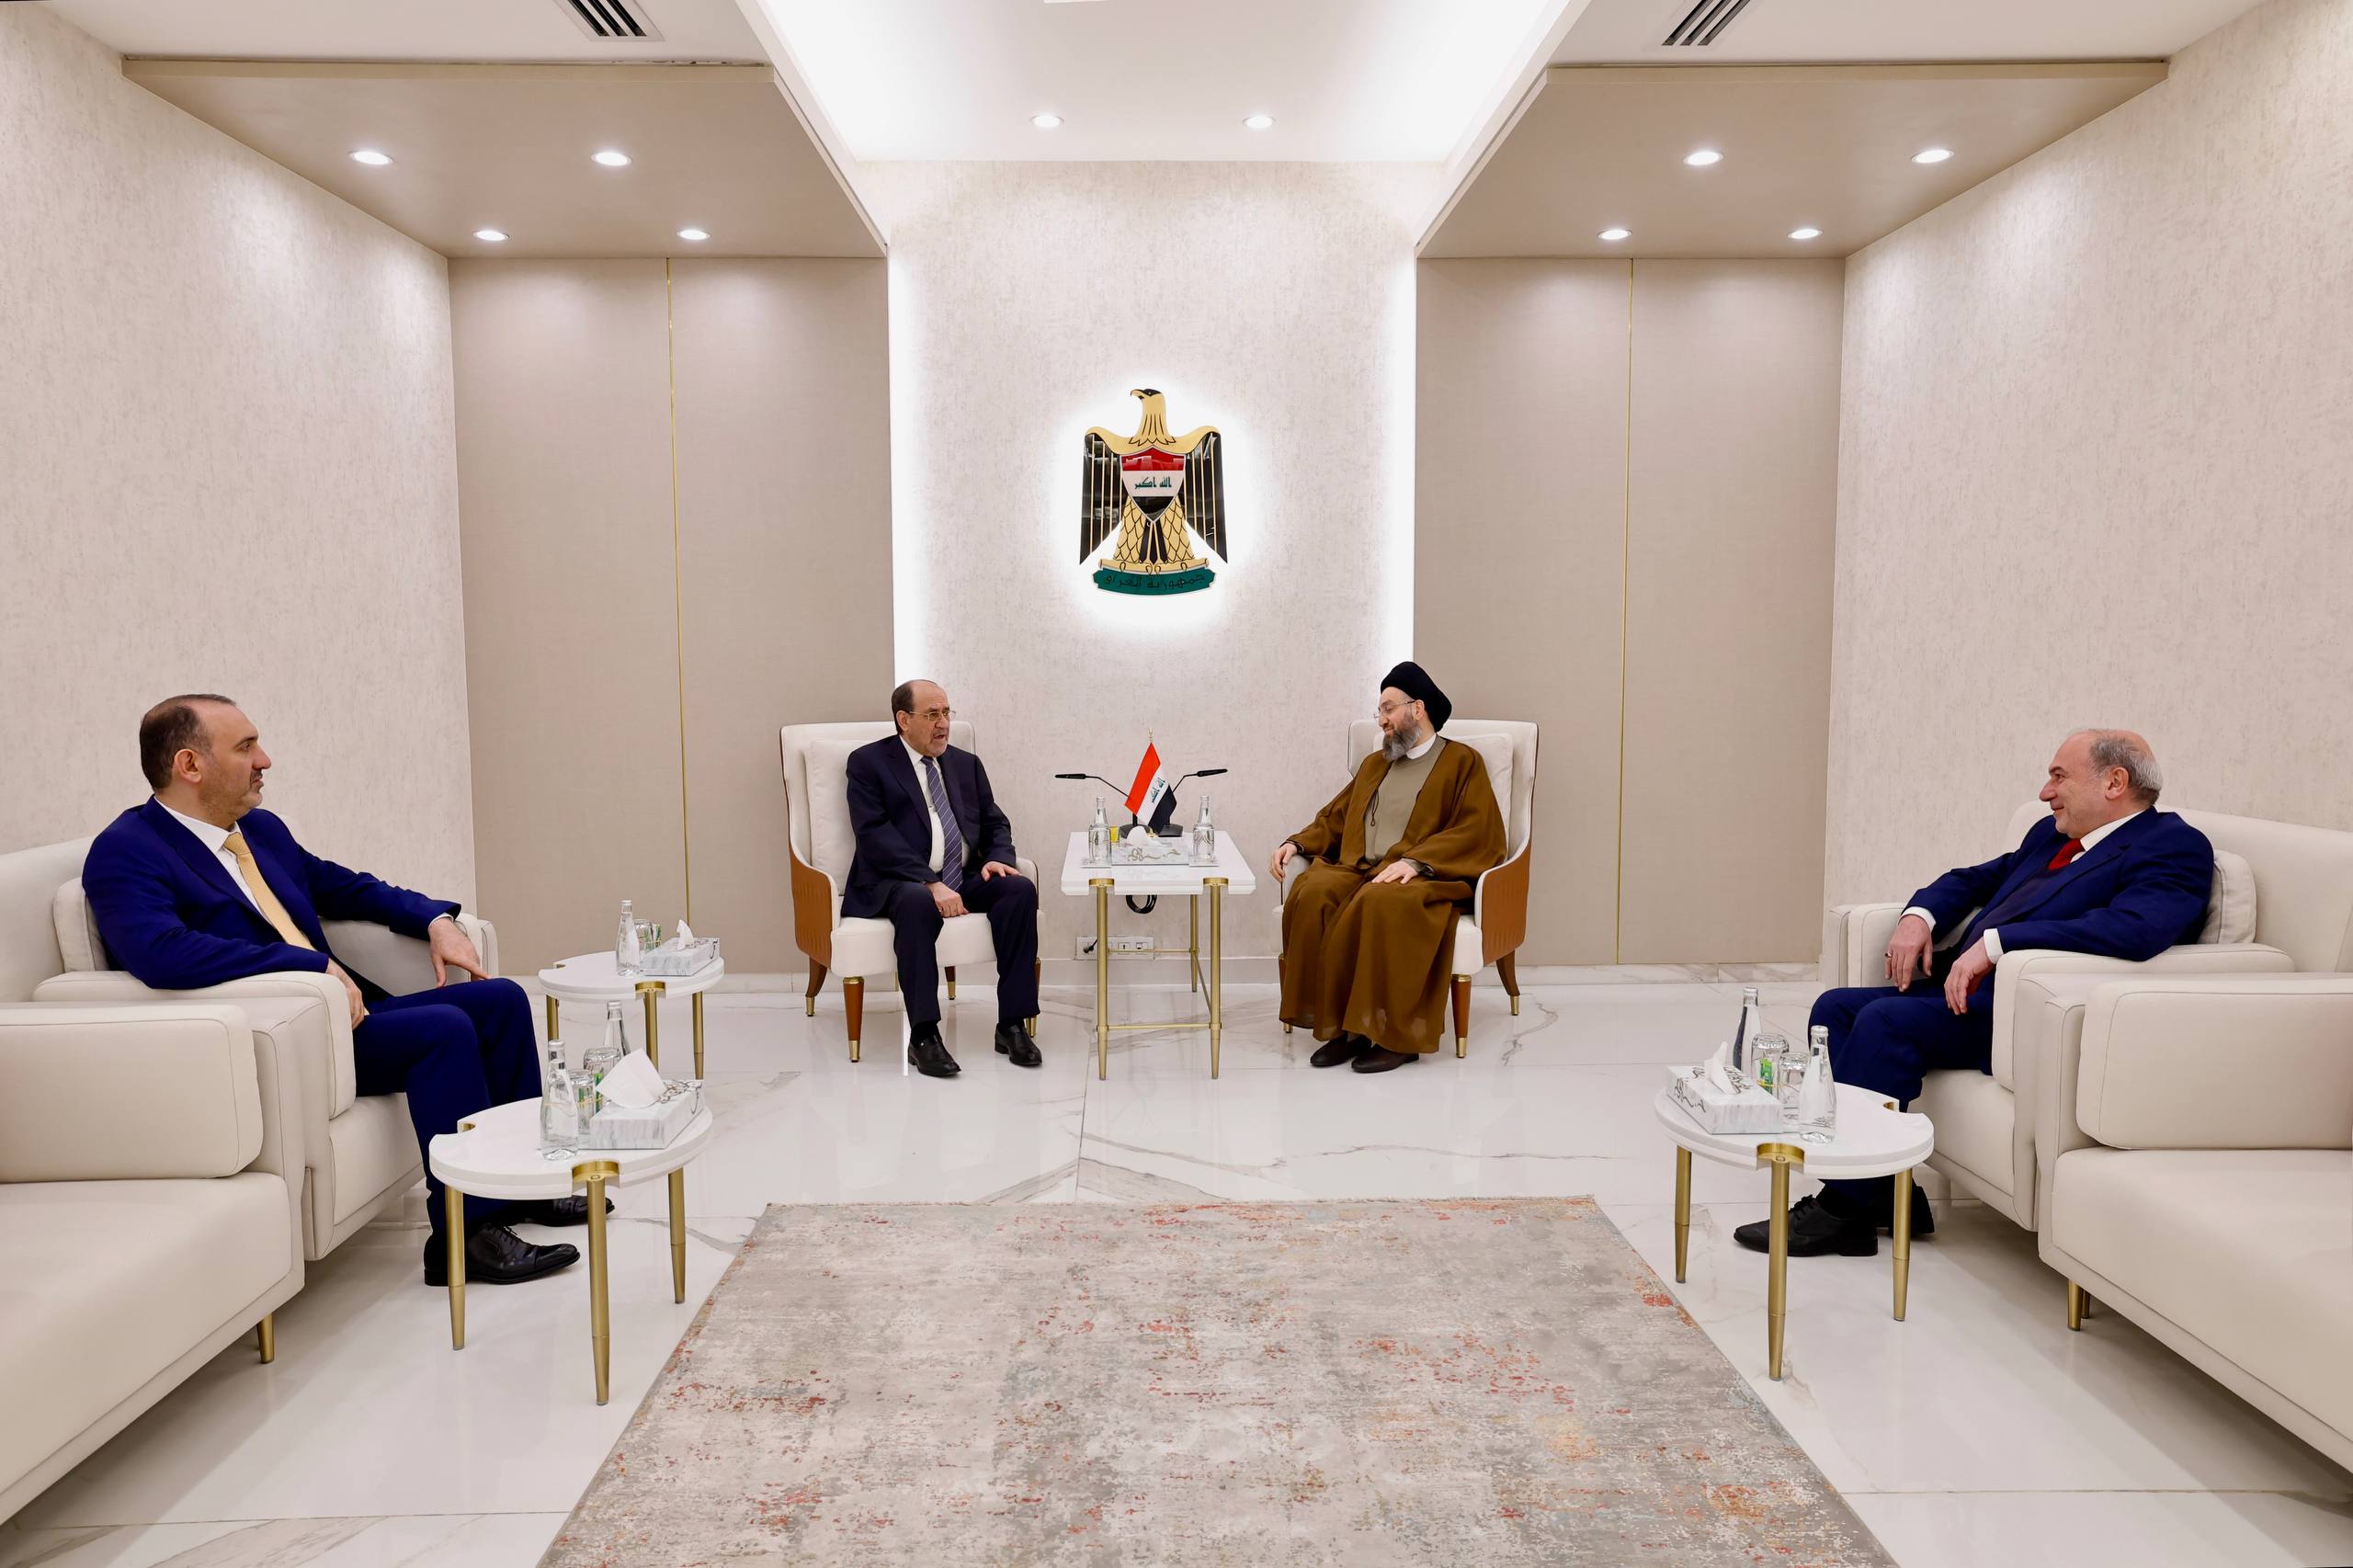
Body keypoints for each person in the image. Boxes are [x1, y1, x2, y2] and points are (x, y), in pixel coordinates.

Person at [82, 695, 586, 1287]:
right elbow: (160, 952)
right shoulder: (126, 851)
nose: (264, 760)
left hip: (345, 1014)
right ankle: (464, 1235)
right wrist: (309, 965)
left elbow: (346, 888)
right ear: (189, 765)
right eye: (245, 747)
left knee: (499, 1000)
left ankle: (520, 1186)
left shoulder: (259, 831)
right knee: (443, 1029)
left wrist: (434, 918)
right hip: (282, 1035)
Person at [1739, 728, 2213, 1258]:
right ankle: (1887, 1193)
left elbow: (2138, 929)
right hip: (1969, 994)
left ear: (2114, 782)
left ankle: (1844, 1210)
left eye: (2059, 777)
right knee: (1836, 1009)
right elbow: (1975, 879)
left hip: (2027, 1012)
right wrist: (1920, 916)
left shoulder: (2173, 846)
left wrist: (1998, 942)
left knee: (1886, 1021)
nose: (2045, 792)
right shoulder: (2052, 834)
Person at [1270, 662, 1506, 1073]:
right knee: (1313, 891)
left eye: (1388, 708)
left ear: (1418, 708)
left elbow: (1477, 830)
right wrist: (1297, 843)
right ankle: (1343, 1029)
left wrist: (1416, 862)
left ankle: (1395, 1036)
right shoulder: (1374, 764)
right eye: (1379, 711)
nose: (1380, 720)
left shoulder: (1461, 761)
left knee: (1382, 901)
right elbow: (1336, 818)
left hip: (1426, 876)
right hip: (1360, 868)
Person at [840, 680, 1040, 1078]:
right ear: (904, 720)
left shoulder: (966, 764)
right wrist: (929, 883)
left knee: (1019, 889)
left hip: (961, 876)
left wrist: (997, 859)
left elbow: (995, 822)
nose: (944, 723)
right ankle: (924, 1035)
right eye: (932, 714)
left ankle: (1012, 1024)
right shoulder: (868, 763)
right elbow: (874, 834)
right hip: (899, 881)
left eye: (946, 712)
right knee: (917, 902)